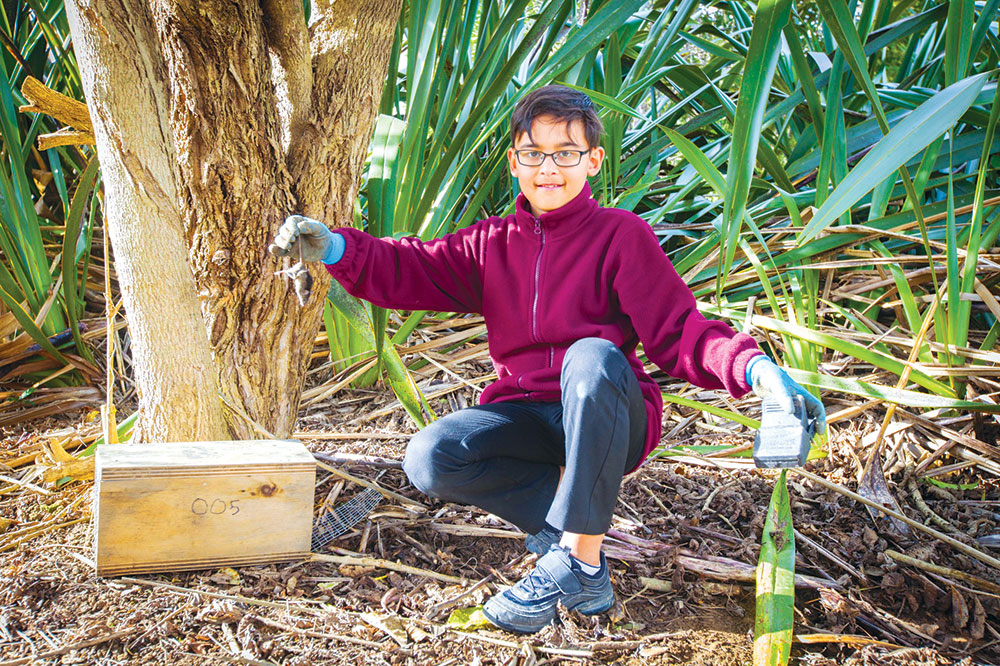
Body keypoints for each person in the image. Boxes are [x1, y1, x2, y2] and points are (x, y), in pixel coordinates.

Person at [269, 85, 826, 634]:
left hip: (608, 414)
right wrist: (336, 247)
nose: (549, 168)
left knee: (588, 357)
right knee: (432, 456)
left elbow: (680, 330)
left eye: (566, 153)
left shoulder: (620, 236)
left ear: (593, 160)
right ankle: (581, 558)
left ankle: (578, 555)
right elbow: (411, 268)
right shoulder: (492, 243)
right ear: (514, 161)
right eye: (534, 154)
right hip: (530, 415)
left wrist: (756, 369)